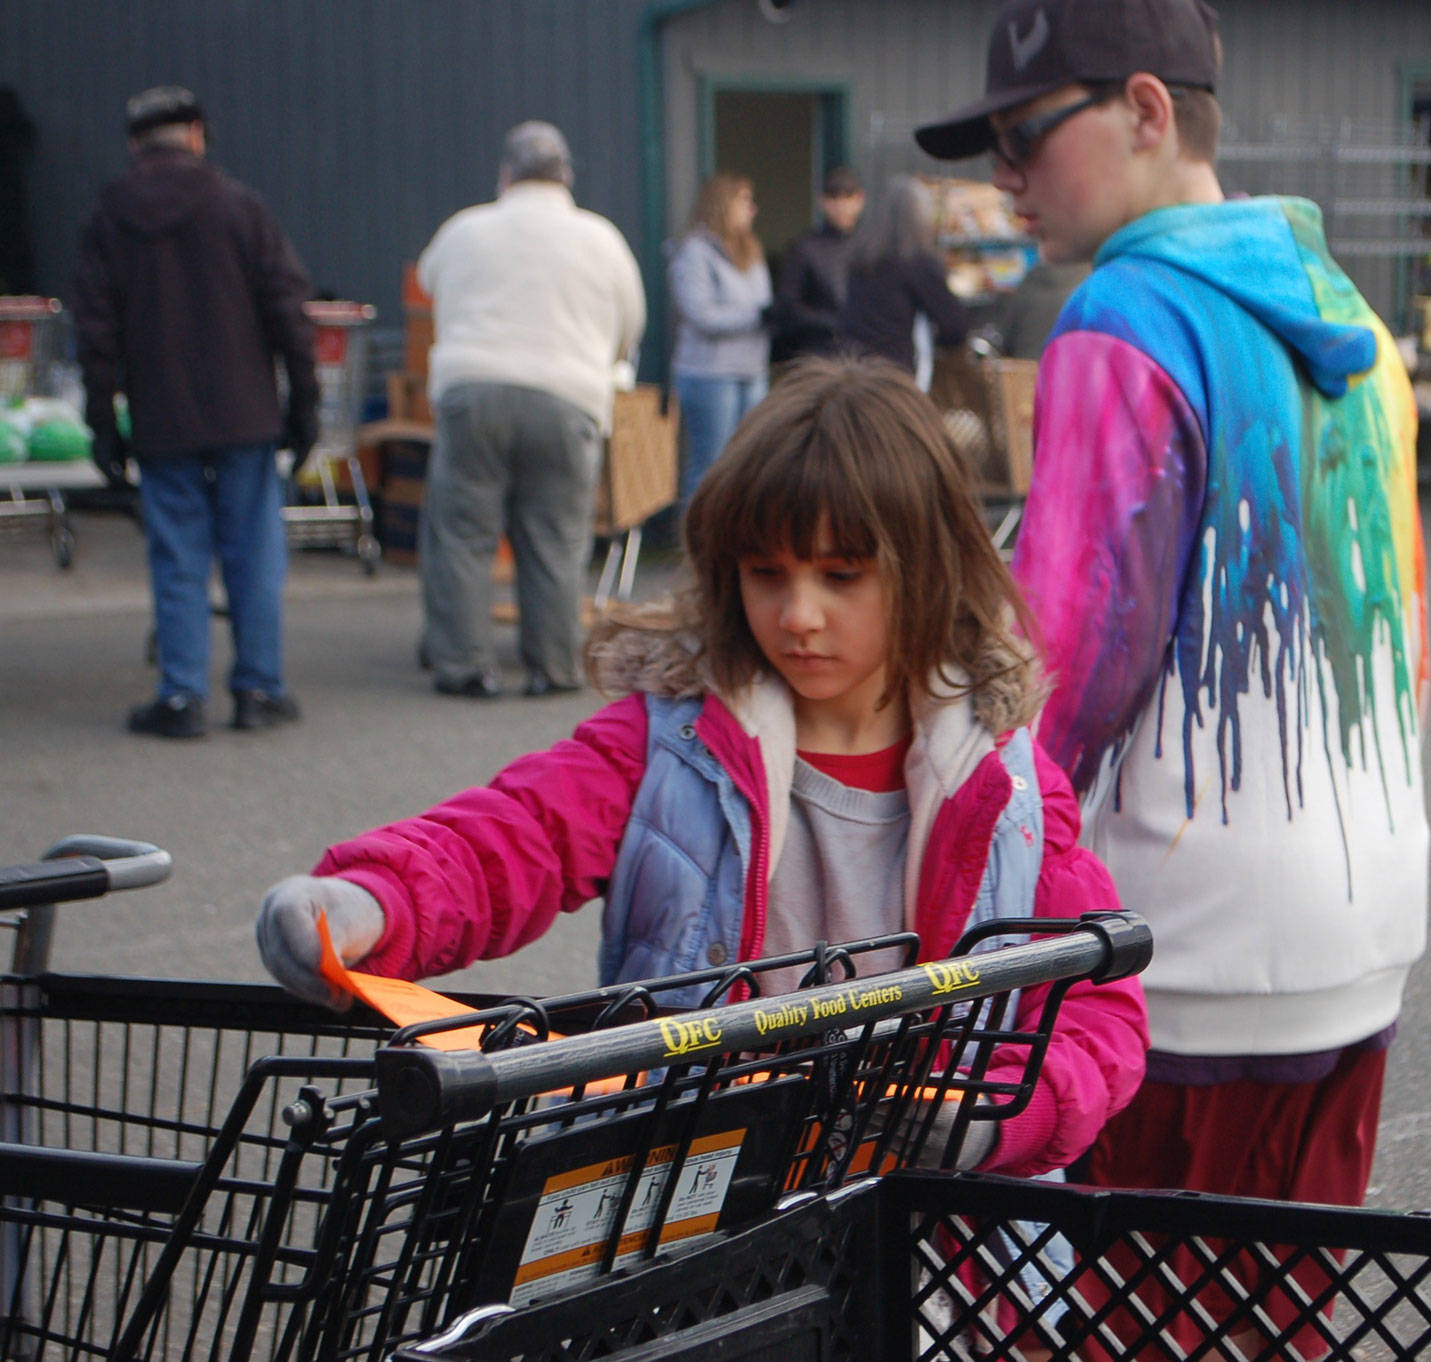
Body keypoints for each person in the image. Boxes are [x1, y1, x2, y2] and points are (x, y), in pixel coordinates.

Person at [254, 356, 1147, 1180]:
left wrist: (998, 1119)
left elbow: (1095, 1008)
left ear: (931, 571)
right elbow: (513, 837)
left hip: (923, 1246)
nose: (798, 614)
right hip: (693, 1205)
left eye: (842, 575)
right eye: (768, 573)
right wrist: (372, 900)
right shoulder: (668, 742)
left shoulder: (1009, 786)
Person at [916, 0, 1426, 1338]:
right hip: (1362, 924)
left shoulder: (1121, 317)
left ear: (1148, 112)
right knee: (1268, 1327)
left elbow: (1063, 671)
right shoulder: (1357, 324)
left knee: (1125, 1326)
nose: (1003, 177)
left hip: (1173, 955)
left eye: (1026, 135)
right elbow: (1405, 633)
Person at [75, 85, 318, 739]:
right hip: (247, 413)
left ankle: (182, 698)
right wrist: (306, 404)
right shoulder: (241, 207)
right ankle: (259, 689)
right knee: (254, 554)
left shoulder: (109, 216)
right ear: (198, 136)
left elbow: (95, 333)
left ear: (135, 145)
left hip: (162, 419)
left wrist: (104, 424)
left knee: (177, 555)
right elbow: (289, 312)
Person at [414, 121, 645, 700]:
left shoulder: (465, 229)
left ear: (505, 175)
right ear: (566, 175)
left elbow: (427, 282)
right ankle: (551, 665)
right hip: (568, 397)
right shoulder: (602, 239)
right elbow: (631, 326)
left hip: (475, 392)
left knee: (465, 533)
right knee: (555, 536)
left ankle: (465, 665)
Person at [670, 173, 771, 502]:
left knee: (751, 465)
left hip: (751, 371)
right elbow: (700, 314)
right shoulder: (694, 252)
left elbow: (763, 300)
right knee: (711, 467)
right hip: (710, 375)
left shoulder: (752, 250)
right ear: (723, 204)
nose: (752, 210)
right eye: (744, 201)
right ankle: (697, 548)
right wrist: (757, 317)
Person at [835, 175, 972, 384]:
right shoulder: (916, 262)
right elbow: (955, 326)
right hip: (896, 375)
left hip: (851, 371)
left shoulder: (861, 259)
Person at [772, 165, 863, 362]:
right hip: (817, 356)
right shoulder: (803, 249)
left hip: (862, 355)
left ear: (859, 201)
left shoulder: (869, 248)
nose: (841, 206)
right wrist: (834, 322)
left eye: (847, 197)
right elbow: (787, 307)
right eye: (833, 198)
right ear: (822, 202)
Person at [995, 258, 1091, 360]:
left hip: (1026, 369)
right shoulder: (1092, 282)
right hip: (1069, 370)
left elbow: (1006, 343)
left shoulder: (1031, 280)